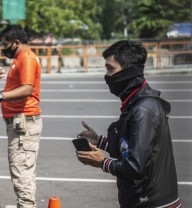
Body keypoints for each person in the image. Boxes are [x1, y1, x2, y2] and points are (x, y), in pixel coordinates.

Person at [76, 40, 181, 207]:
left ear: (130, 71)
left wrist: (102, 162)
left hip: (153, 202)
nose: (107, 76)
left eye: (111, 69)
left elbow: (135, 165)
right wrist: (100, 140)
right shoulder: (134, 102)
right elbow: (132, 146)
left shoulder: (143, 109)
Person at [0, 25, 42, 208]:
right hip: (20, 122)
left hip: (24, 123)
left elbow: (27, 89)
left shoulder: (26, 58)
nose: (3, 48)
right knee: (21, 171)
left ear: (16, 43)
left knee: (22, 173)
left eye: (5, 44)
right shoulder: (21, 58)